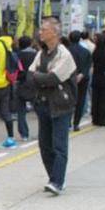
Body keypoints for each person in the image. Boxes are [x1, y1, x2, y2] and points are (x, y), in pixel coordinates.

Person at [27, 16, 77, 196]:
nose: (40, 32)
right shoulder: (41, 53)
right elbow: (30, 75)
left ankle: (57, 181)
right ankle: (53, 178)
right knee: (44, 145)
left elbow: (53, 78)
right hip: (43, 104)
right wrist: (42, 77)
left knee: (59, 145)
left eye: (43, 29)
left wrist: (41, 77)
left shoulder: (64, 54)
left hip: (61, 105)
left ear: (54, 32)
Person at [67, 30, 93, 131]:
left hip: (69, 78)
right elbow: (89, 64)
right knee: (80, 101)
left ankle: (68, 122)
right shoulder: (86, 51)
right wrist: (82, 74)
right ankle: (76, 123)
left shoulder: (67, 51)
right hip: (83, 78)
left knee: (68, 100)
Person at [15, 36, 38, 141]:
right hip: (34, 83)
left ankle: (24, 134)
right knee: (39, 109)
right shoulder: (36, 55)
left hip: (20, 83)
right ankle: (42, 132)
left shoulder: (17, 55)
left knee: (21, 111)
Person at [91, 34, 105, 126]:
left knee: (95, 98)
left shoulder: (95, 52)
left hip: (96, 78)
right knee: (104, 100)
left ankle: (95, 119)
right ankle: (103, 119)